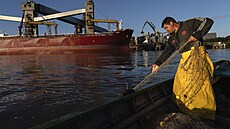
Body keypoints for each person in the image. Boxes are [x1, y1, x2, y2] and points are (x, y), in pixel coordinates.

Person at [151, 17, 216, 120]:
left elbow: (208, 21)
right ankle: (186, 109)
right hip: (185, 60)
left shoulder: (189, 24)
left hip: (196, 56)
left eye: (167, 27)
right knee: (179, 83)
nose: (166, 30)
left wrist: (197, 35)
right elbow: (167, 51)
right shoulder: (172, 38)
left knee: (200, 85)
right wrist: (157, 63)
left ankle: (205, 113)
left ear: (172, 23)